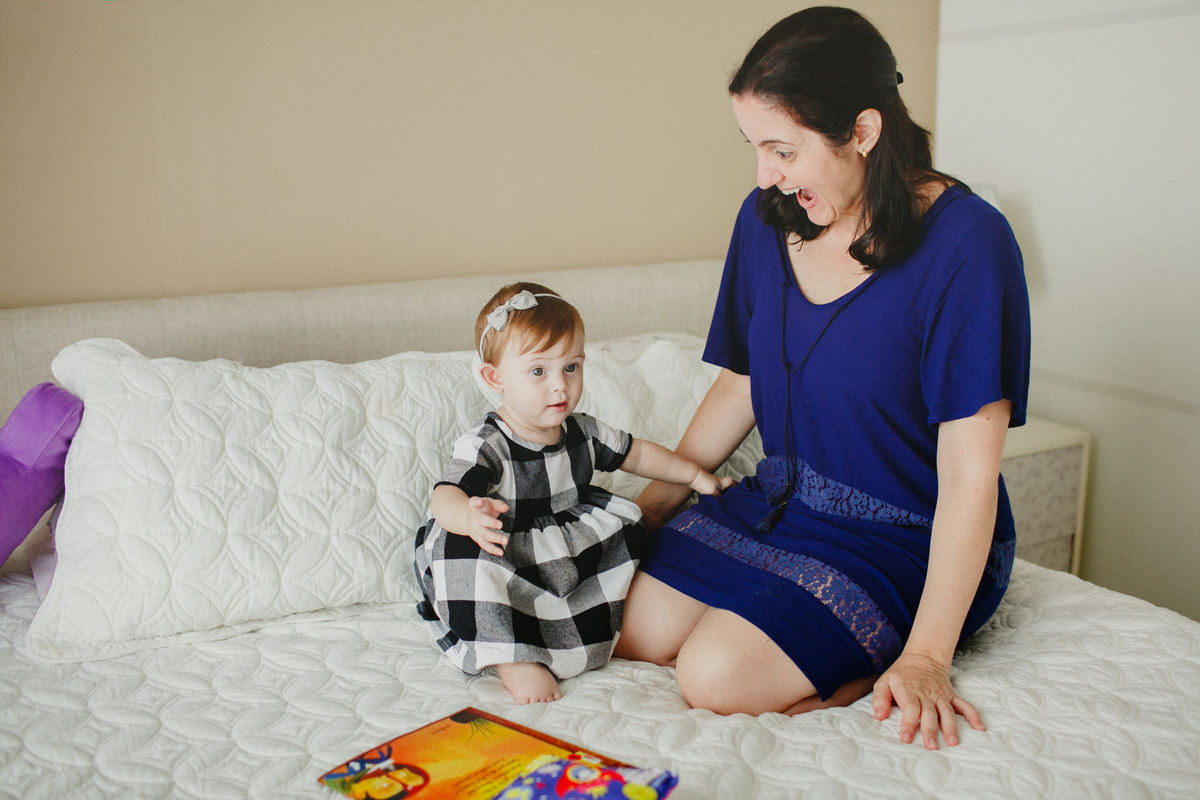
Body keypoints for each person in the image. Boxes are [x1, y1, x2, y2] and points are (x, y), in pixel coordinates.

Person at [613, 6, 1030, 750]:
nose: (765, 174)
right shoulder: (765, 219)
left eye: (782, 149)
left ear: (863, 131)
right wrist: (641, 513)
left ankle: (857, 666)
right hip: (781, 502)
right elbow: (744, 384)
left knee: (712, 678)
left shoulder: (969, 243)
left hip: (903, 529)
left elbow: (971, 470)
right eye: (755, 147)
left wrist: (928, 656)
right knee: (631, 628)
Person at [413, 282, 735, 704]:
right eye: (538, 371)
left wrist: (695, 475)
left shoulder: (581, 432)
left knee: (631, 531)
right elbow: (445, 495)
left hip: (564, 547)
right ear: (496, 378)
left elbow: (639, 456)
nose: (560, 386)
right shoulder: (488, 443)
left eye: (571, 367)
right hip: (506, 546)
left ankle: (590, 631)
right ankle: (512, 659)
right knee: (459, 554)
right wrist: (469, 516)